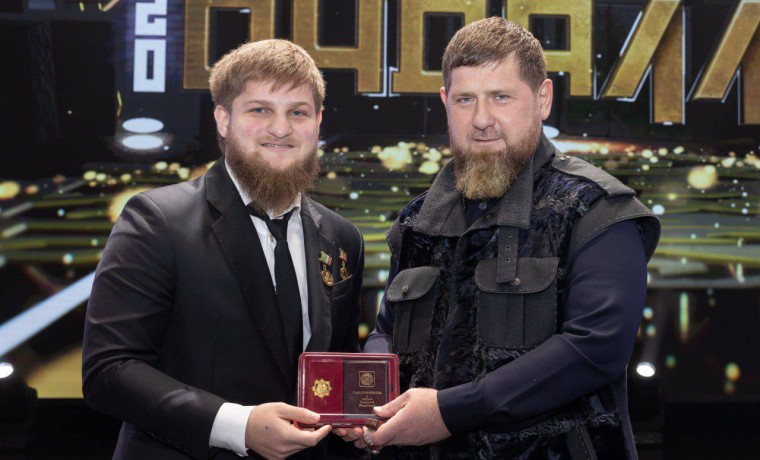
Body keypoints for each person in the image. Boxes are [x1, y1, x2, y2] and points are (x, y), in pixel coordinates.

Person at [342, 17, 660, 459]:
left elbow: (595, 349)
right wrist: (368, 398)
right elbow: (387, 331)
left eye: (501, 97)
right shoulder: (417, 221)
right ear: (445, 102)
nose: (481, 120)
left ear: (543, 99)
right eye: (465, 99)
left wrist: (449, 412)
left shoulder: (596, 208)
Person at [82, 39, 365, 460]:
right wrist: (238, 426)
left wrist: (354, 417)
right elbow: (109, 371)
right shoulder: (158, 220)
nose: (281, 129)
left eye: (298, 112)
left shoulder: (342, 237)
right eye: (260, 110)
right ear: (223, 119)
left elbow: (336, 364)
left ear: (318, 121)